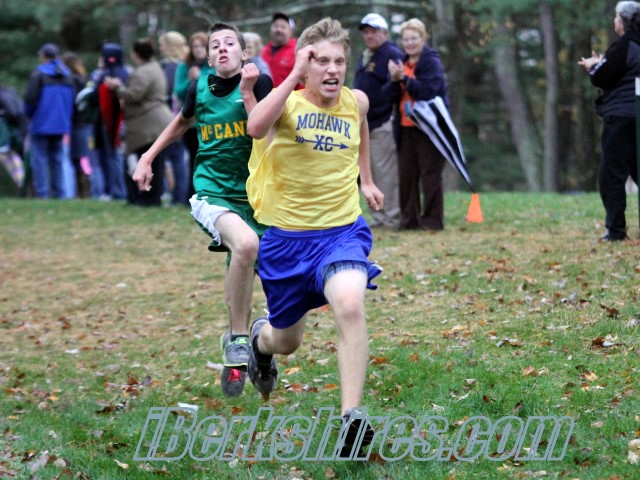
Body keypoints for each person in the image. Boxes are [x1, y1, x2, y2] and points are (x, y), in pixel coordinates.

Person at [246, 17, 383, 455]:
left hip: (341, 233)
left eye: (339, 61)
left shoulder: (356, 102)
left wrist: (366, 179)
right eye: (321, 60)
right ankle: (260, 341)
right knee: (286, 342)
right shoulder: (286, 102)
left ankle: (351, 420)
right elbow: (255, 127)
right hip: (287, 243)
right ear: (305, 64)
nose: (332, 70)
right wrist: (291, 77)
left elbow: (361, 128)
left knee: (350, 304)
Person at [132, 23, 273, 396]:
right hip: (212, 193)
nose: (222, 48)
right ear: (208, 57)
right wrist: (147, 157)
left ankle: (260, 347)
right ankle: (239, 338)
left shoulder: (261, 84)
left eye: (230, 43)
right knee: (245, 245)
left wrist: (249, 92)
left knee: (257, 271)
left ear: (245, 53)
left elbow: (268, 132)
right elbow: (180, 123)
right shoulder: (198, 89)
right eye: (215, 45)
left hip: (259, 198)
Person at [578, 0, 640, 242]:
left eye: (616, 16)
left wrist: (593, 66)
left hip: (621, 117)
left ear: (623, 21)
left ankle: (615, 230)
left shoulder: (624, 45)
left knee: (611, 174)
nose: (614, 20)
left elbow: (603, 77)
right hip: (637, 115)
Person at [382, 18, 449, 231]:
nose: (410, 43)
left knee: (430, 175)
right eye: (406, 39)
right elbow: (387, 95)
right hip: (404, 128)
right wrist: (395, 80)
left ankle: (432, 221)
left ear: (423, 39)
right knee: (407, 176)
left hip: (429, 129)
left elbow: (429, 91)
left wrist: (404, 79)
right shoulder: (400, 63)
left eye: (414, 38)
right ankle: (409, 221)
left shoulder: (431, 62)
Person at [104, 38, 173, 206]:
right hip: (154, 122)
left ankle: (147, 198)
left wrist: (117, 88)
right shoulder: (154, 67)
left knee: (147, 163)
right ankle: (150, 198)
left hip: (148, 125)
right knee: (154, 164)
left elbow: (134, 94)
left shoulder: (143, 72)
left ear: (135, 54)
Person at [353, 13, 404, 229]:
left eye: (374, 31)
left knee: (386, 174)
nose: (369, 36)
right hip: (366, 124)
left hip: (383, 121)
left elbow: (394, 89)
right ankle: (379, 217)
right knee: (371, 173)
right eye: (366, 32)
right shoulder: (367, 55)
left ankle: (392, 217)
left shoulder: (391, 54)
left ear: (385, 32)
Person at [23, 43, 75, 199]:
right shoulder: (67, 75)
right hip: (61, 125)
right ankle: (59, 193)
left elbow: (30, 99)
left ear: (43, 56)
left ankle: (42, 193)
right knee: (57, 159)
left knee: (39, 159)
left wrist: (29, 116)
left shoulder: (39, 74)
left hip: (41, 123)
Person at [174, 32, 212, 200]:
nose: (198, 49)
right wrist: (190, 80)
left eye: (202, 46)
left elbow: (212, 90)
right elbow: (179, 93)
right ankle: (192, 195)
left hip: (210, 120)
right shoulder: (184, 67)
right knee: (193, 159)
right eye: (195, 46)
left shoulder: (213, 66)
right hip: (191, 122)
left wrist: (199, 78)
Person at [90, 43, 130, 200]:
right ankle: (124, 189)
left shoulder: (102, 76)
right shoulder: (126, 73)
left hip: (108, 121)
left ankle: (117, 190)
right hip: (126, 121)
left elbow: (94, 98)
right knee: (122, 156)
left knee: (113, 156)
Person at [159, 31, 189, 205]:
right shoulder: (183, 65)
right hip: (178, 115)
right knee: (178, 157)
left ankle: (179, 195)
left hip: (171, 116)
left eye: (162, 45)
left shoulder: (171, 67)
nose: (160, 48)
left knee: (175, 157)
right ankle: (179, 195)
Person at [62, 52, 93, 198]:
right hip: (85, 124)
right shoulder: (84, 80)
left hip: (76, 125)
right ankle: (86, 191)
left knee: (77, 160)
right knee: (83, 159)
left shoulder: (72, 81)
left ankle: (81, 192)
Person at [261, 12, 303, 89]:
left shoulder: (298, 52)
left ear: (291, 30)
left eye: (283, 27)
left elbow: (302, 84)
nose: (278, 29)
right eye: (275, 26)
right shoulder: (262, 52)